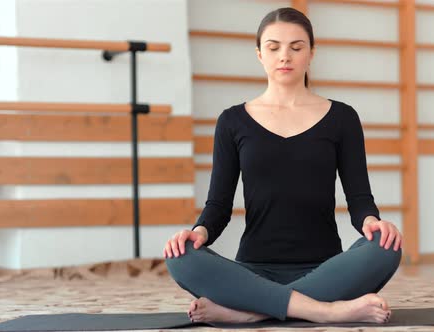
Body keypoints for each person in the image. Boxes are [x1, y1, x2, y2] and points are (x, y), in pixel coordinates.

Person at [164, 7, 402, 325]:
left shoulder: (343, 118)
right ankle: (324, 310)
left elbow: (359, 198)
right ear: (260, 54)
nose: (284, 56)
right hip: (252, 270)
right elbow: (218, 205)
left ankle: (249, 312)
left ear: (311, 53)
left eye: (296, 47)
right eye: (274, 47)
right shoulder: (232, 121)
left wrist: (373, 222)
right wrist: (198, 232)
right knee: (179, 256)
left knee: (386, 247)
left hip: (324, 269)